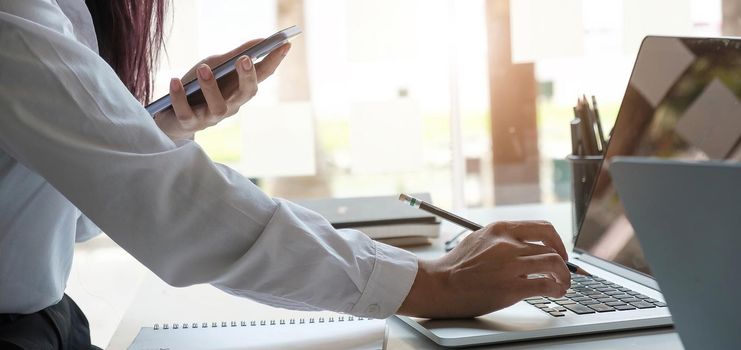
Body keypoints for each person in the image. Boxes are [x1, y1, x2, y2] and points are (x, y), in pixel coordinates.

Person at [0, 0, 571, 348]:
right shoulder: (15, 20)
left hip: (49, 324)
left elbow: (64, 217)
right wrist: (434, 283)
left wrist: (153, 130)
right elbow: (171, 206)